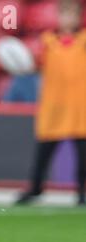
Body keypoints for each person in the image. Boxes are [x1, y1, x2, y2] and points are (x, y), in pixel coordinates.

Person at [15, 0, 86, 206]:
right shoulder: (47, 41)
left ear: (78, 17)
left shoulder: (83, 41)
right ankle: (35, 188)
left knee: (83, 156)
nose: (68, 19)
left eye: (72, 14)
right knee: (43, 152)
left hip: (79, 107)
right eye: (65, 14)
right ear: (59, 16)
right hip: (53, 106)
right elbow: (33, 64)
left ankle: (82, 192)